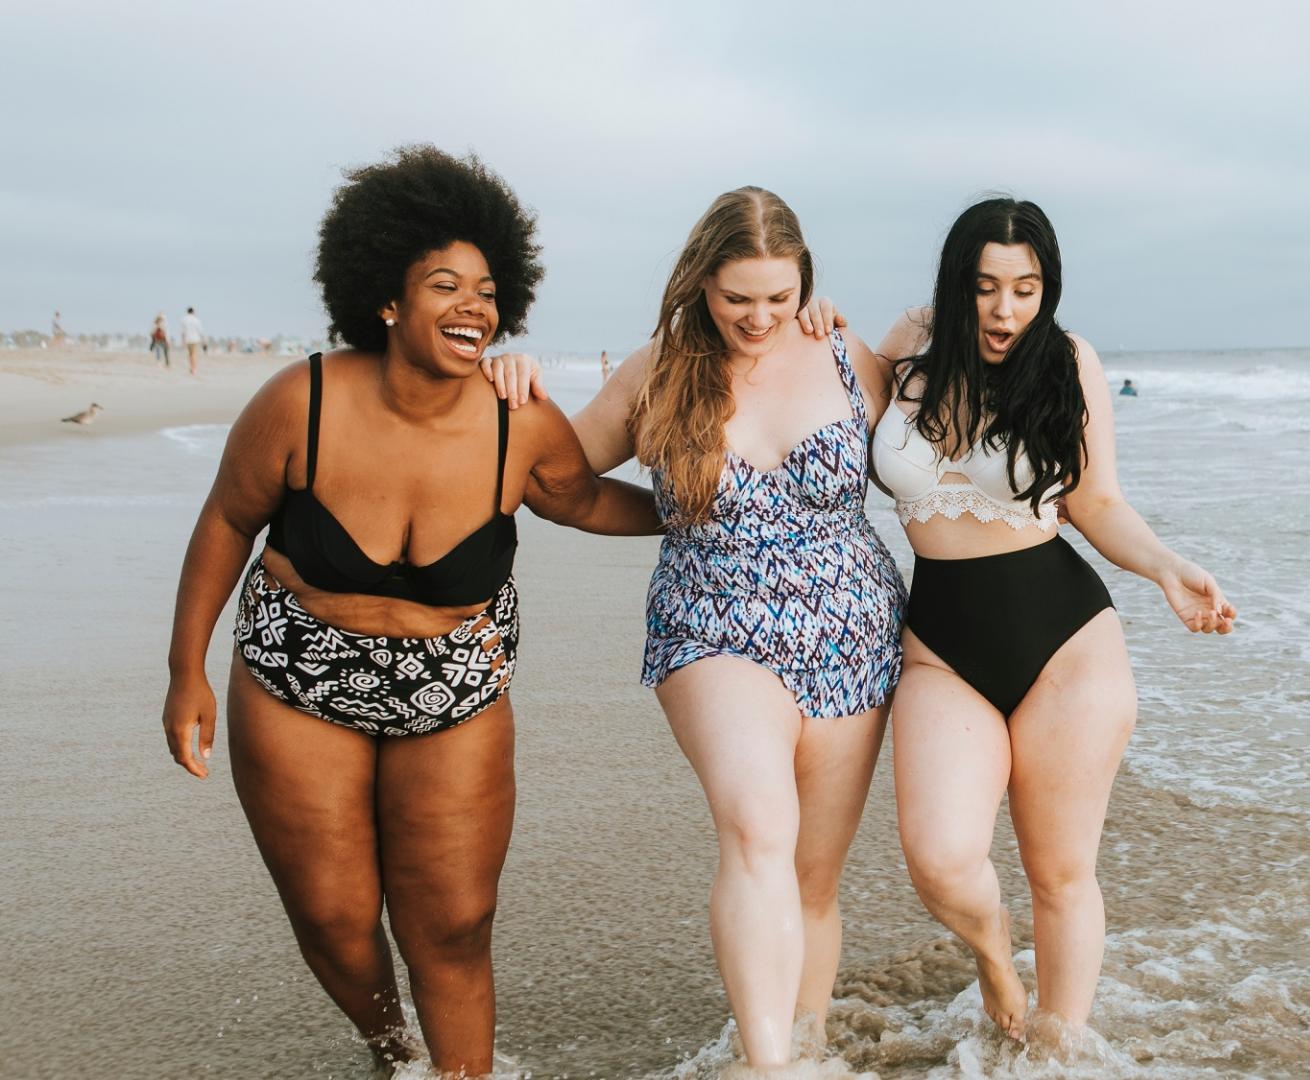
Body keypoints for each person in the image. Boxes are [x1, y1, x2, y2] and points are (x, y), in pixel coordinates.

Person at [160, 145, 661, 1077]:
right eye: (444, 284)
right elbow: (227, 523)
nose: (474, 305)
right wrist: (185, 670)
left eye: (486, 289)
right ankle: (396, 1049)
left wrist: (698, 511)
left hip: (454, 686)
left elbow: (586, 500)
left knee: (456, 923)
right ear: (387, 300)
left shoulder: (521, 425)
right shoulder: (300, 403)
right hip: (296, 674)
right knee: (335, 919)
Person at [530, 188, 906, 1069]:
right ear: (701, 281)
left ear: (805, 281)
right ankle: (764, 1063)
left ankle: (803, 1043)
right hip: (713, 624)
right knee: (758, 828)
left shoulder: (842, 350)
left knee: (812, 878)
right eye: (740, 297)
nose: (761, 317)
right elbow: (556, 479)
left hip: (856, 628)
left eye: (780, 295)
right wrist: (676, 513)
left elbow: (935, 455)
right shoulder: (658, 369)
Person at [873, 197, 1233, 1044]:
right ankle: (995, 956)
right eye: (987, 287)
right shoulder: (907, 346)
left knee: (1062, 872)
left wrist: (1165, 568)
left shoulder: (1068, 361)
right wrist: (813, 314)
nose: (1005, 311)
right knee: (940, 856)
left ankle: (1058, 1048)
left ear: (1048, 288)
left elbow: (1097, 501)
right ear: (957, 282)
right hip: (940, 650)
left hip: (1064, 643)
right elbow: (809, 384)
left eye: (1026, 289)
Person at [182, 306, 206, 374]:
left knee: (190, 354)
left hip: (188, 339)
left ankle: (191, 367)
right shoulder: (196, 320)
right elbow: (200, 331)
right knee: (194, 354)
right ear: (193, 312)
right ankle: (194, 368)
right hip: (195, 339)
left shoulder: (184, 320)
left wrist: (183, 341)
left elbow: (183, 332)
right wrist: (203, 340)